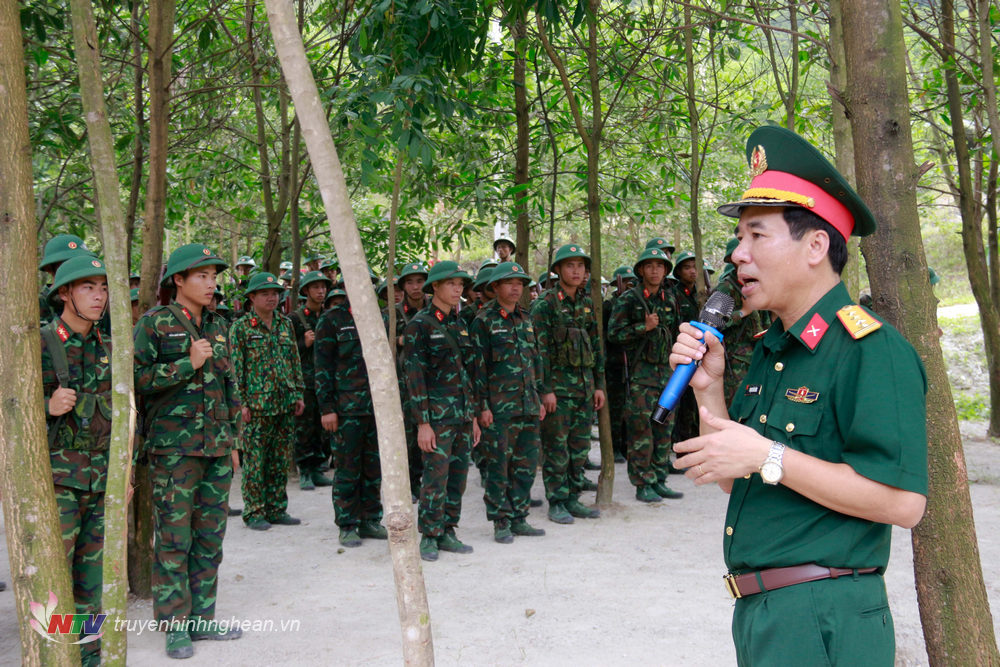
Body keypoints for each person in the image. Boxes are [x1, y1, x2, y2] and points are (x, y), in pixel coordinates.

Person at [669, 125, 927, 666]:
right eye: (740, 238)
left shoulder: (868, 350)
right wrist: (709, 389)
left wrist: (770, 456)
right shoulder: (773, 348)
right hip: (767, 615)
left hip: (823, 615)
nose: (738, 255)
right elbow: (735, 478)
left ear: (815, 245)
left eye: (756, 236)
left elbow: (904, 504)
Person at [133, 243, 242, 658]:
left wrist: (233, 440)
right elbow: (137, 382)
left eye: (214, 276)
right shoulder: (155, 324)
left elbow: (230, 385)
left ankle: (203, 619)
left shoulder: (219, 324)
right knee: (175, 540)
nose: (211, 283)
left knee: (210, 537)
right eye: (201, 275)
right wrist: (186, 364)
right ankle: (175, 625)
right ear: (177, 280)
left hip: (215, 448)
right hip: (173, 452)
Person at [41, 254, 111, 667]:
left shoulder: (110, 346)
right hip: (58, 482)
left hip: (102, 481)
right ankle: (56, 654)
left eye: (102, 287)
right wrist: (45, 405)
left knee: (92, 579)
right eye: (88, 287)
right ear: (64, 292)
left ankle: (89, 655)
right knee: (55, 577)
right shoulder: (44, 342)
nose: (98, 296)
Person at [401, 261, 483, 562]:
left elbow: (468, 376)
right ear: (434, 287)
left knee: (458, 476)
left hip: (461, 416)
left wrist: (473, 416)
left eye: (460, 284)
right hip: (436, 418)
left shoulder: (459, 324)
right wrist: (423, 423)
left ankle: (449, 528)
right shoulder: (419, 326)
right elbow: (415, 378)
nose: (458, 288)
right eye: (451, 283)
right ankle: (430, 535)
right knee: (435, 477)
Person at [470, 262, 547, 543]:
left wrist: (538, 397)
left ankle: (519, 517)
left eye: (520, 283)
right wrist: (482, 408)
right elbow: (477, 369)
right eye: (509, 283)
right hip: (499, 409)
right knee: (498, 467)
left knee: (526, 465)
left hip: (527, 405)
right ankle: (500, 520)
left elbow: (534, 361)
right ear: (496, 287)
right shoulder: (483, 320)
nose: (515, 288)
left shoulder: (526, 319)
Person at [530, 244, 606, 524]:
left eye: (581, 266)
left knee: (580, 447)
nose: (576, 271)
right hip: (558, 391)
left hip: (584, 389)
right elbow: (539, 352)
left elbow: (596, 346)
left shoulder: (586, 303)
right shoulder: (545, 305)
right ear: (558, 270)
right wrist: (545, 389)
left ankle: (573, 496)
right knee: (556, 448)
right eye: (570, 265)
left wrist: (598, 384)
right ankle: (557, 500)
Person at [229, 272, 305, 531]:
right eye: (265, 293)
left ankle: (276, 508)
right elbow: (235, 369)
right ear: (251, 297)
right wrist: (242, 403)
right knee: (254, 462)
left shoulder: (285, 324)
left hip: (284, 403)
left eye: (275, 293)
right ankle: (254, 511)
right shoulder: (241, 328)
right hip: (256, 407)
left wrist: (298, 393)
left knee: (280, 461)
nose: (272, 297)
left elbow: (294, 361)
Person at [314, 280, 387, 547]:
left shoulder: (381, 317)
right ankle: (347, 523)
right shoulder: (332, 320)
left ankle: (370, 519)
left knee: (374, 469)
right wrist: (327, 409)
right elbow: (322, 366)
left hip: (376, 409)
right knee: (347, 468)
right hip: (346, 410)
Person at [608, 247, 684, 502]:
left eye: (660, 266)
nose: (655, 270)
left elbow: (674, 334)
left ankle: (659, 478)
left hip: (666, 376)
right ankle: (643, 483)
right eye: (650, 266)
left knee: (663, 427)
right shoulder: (629, 299)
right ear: (641, 270)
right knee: (641, 431)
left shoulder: (669, 299)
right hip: (641, 377)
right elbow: (614, 334)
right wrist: (643, 327)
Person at [387, 262, 430, 500]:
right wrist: (399, 341)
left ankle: (426, 481)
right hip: (403, 385)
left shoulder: (436, 309)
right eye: (410, 282)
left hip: (432, 383)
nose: (416, 287)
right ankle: (410, 483)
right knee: (407, 438)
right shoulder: (393, 314)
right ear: (403, 286)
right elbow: (381, 346)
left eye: (420, 281)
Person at [290, 271, 334, 490]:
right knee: (304, 427)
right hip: (305, 381)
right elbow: (285, 354)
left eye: (323, 287)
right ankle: (305, 470)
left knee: (321, 426)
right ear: (306, 291)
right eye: (315, 287)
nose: (320, 291)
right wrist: (303, 343)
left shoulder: (328, 316)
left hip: (324, 380)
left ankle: (317, 468)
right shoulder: (295, 319)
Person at [713, 238, 768, 404]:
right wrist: (742, 312)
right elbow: (711, 323)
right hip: (734, 360)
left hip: (758, 355)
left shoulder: (759, 284)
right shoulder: (725, 288)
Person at [604, 265, 637, 464]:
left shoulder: (636, 302)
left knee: (629, 409)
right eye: (625, 281)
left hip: (633, 363)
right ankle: (615, 447)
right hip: (615, 364)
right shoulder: (610, 305)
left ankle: (626, 446)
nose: (629, 285)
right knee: (615, 410)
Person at [38, 234, 94, 326]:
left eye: (80, 263)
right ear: (49, 269)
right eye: (67, 264)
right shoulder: (38, 305)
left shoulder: (97, 301)